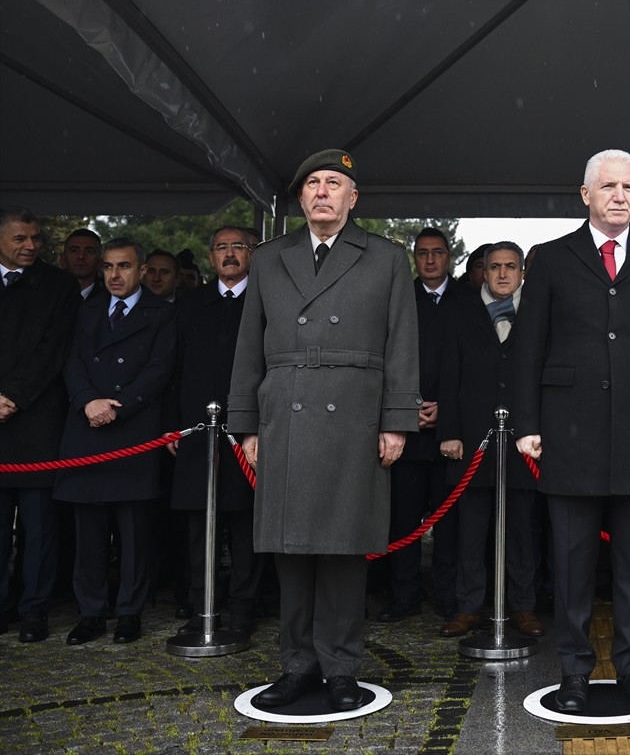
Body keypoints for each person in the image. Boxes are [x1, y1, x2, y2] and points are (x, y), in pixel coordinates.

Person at [227, 149, 419, 711]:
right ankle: (297, 663)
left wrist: (397, 422)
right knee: (291, 550)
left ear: (352, 197)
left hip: (354, 414)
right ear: (301, 197)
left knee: (342, 549)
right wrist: (246, 424)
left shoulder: (386, 258)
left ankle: (339, 665)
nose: (322, 192)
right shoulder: (269, 258)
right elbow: (247, 348)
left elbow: (402, 344)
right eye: (312, 183)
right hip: (284, 410)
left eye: (333, 183)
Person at [513, 149, 630, 713]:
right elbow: (527, 348)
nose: (620, 196)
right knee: (571, 567)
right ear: (585, 194)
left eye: (629, 188)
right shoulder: (551, 259)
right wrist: (527, 424)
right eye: (609, 186)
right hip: (570, 432)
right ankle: (573, 674)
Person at [55, 238, 177, 645]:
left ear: (141, 270)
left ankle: (129, 612)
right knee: (88, 531)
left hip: (133, 430)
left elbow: (160, 369)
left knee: (134, 533)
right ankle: (90, 612)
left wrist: (117, 407)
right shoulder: (84, 309)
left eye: (123, 266)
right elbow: (70, 361)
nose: (114, 275)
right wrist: (87, 401)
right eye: (107, 267)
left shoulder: (162, 313)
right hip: (86, 426)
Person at [437, 241, 542, 638]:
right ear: (483, 270)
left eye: (510, 266)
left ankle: (524, 606)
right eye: (494, 266)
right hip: (472, 440)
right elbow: (450, 374)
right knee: (471, 530)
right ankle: (468, 607)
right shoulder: (461, 310)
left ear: (521, 272)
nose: (501, 274)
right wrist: (448, 432)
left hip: (523, 441)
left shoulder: (536, 312)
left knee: (521, 531)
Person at [168, 226, 260, 634]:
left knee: (244, 525)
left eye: (238, 246)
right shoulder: (189, 304)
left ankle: (243, 607)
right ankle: (200, 604)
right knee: (198, 526)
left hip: (247, 432)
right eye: (221, 247)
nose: (229, 254)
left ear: (252, 254)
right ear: (210, 257)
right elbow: (172, 369)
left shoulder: (264, 303)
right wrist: (172, 426)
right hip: (195, 430)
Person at [0, 207, 80, 642]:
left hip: (37, 423)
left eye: (34, 238)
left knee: (39, 528)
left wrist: (12, 396)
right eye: (19, 238)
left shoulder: (59, 285)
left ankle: (35, 609)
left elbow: (53, 351)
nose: (30, 246)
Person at [380, 226, 460, 622]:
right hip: (405, 431)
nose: (430, 260)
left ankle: (447, 597)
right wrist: (405, 406)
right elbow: (386, 358)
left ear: (449, 257)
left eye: (438, 253)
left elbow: (470, 366)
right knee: (403, 521)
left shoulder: (465, 300)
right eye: (423, 253)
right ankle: (404, 597)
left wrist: (449, 408)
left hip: (451, 433)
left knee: (449, 524)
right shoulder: (399, 298)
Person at [60, 228, 105, 299]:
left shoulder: (109, 300)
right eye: (74, 250)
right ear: (63, 260)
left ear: (100, 262)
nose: (81, 256)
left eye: (89, 251)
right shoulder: (48, 295)